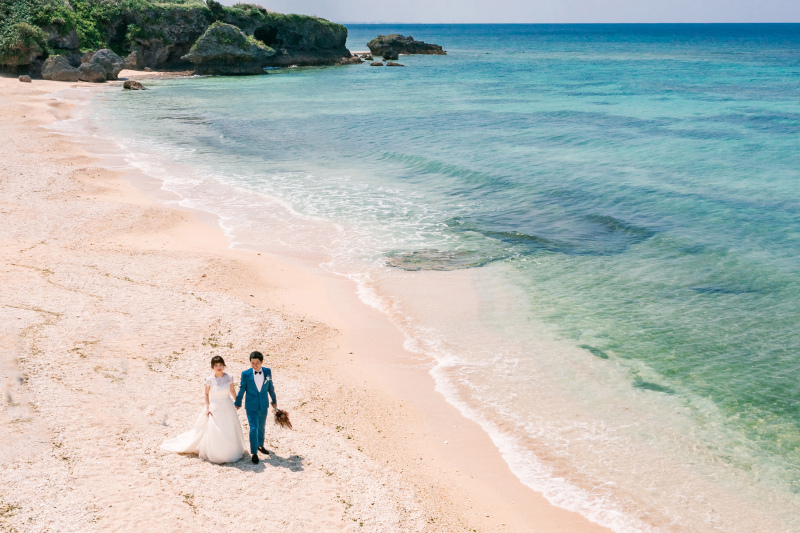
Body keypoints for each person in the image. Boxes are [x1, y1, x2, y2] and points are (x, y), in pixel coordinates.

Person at [162, 356, 246, 464]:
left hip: (227, 405)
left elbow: (232, 390)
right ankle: (217, 453)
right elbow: (206, 394)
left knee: (229, 427)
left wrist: (237, 401)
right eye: (216, 365)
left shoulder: (229, 377)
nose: (218, 367)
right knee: (215, 429)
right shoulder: (209, 380)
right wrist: (207, 408)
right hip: (215, 406)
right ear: (212, 367)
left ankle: (231, 451)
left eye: (220, 365)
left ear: (224, 365)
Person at [235, 351, 277, 464]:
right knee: (253, 428)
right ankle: (254, 452)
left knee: (261, 427)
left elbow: (270, 387)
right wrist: (238, 402)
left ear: (262, 362)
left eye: (257, 363)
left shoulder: (267, 372)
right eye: (252, 363)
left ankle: (260, 446)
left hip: (263, 404)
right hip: (251, 405)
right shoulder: (246, 374)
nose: (255, 365)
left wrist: (274, 400)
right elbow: (242, 389)